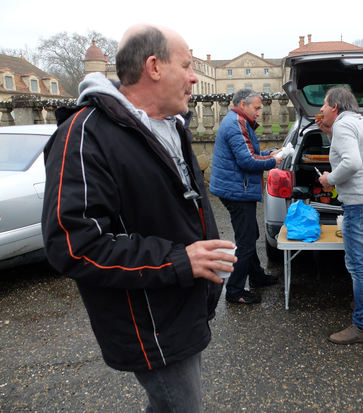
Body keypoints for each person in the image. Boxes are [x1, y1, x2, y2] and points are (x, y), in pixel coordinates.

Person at [41, 24, 237, 413]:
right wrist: (182, 260)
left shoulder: (170, 126)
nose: (195, 76)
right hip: (151, 323)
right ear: (154, 66)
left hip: (183, 307)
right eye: (187, 64)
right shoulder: (84, 134)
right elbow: (74, 244)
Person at [315, 87, 363, 344]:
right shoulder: (361, 121)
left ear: (335, 106)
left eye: (324, 105)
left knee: (357, 265)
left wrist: (329, 179)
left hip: (359, 203)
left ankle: (361, 326)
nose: (321, 109)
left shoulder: (344, 127)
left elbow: (352, 162)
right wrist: (329, 132)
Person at [209, 89, 282, 304]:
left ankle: (256, 277)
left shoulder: (237, 120)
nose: (260, 113)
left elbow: (248, 154)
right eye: (257, 108)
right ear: (243, 104)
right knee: (246, 241)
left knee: (251, 235)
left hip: (235, 188)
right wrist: (273, 162)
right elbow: (247, 162)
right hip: (237, 191)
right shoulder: (236, 123)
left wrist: (269, 154)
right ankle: (234, 291)